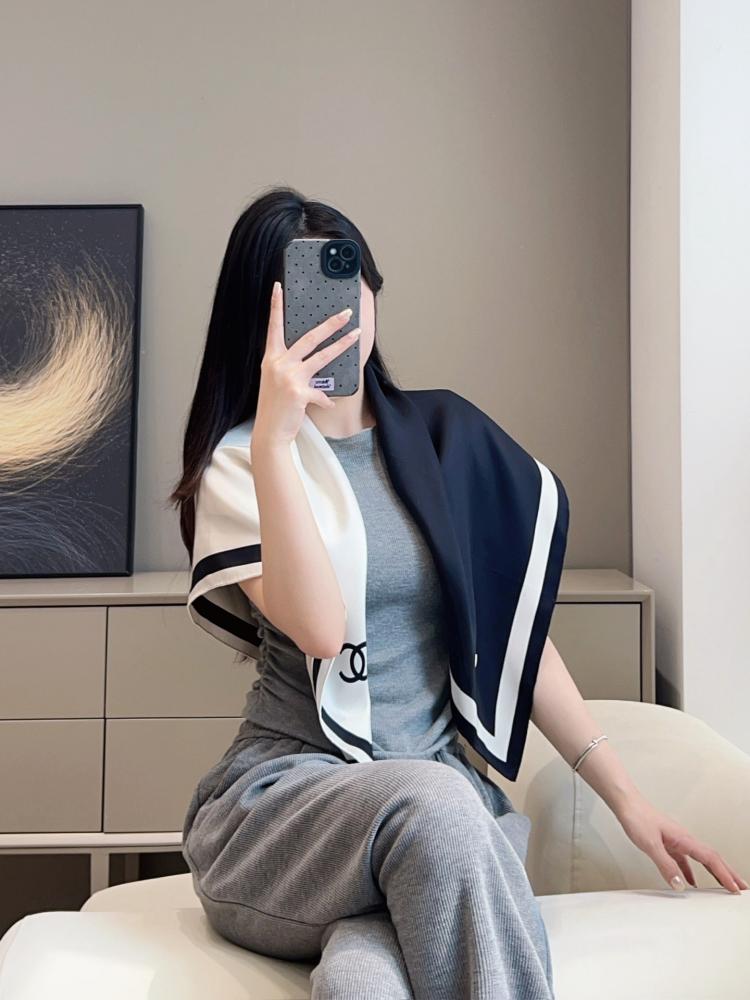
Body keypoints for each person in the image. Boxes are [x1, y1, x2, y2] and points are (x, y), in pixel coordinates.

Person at [169, 185, 747, 1000]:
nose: (338, 313)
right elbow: (322, 628)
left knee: (361, 985)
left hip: (435, 815)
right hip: (291, 812)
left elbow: (511, 639)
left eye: (350, 283)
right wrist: (275, 437)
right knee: (435, 807)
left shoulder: (446, 443)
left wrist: (628, 802)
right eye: (306, 296)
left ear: (374, 291)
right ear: (260, 321)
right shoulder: (239, 466)